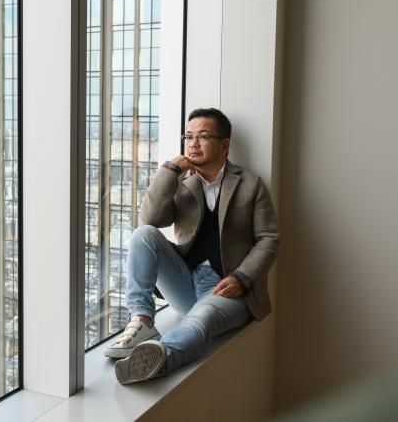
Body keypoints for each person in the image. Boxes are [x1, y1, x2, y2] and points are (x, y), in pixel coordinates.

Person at [103, 108, 279, 385]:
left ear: (224, 145)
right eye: (188, 137)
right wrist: (170, 171)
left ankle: (159, 359)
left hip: (229, 289)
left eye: (203, 136)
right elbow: (150, 219)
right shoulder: (183, 183)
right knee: (143, 234)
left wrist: (242, 278)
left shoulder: (250, 184)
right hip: (187, 281)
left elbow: (269, 238)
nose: (193, 143)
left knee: (201, 320)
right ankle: (143, 321)